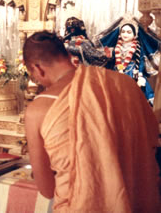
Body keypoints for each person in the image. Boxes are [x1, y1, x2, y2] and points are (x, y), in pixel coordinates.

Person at [23, 31, 160, 212]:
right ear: (67, 55)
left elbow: (47, 189)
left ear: (38, 68)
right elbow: (151, 141)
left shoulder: (37, 110)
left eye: (35, 76)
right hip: (136, 202)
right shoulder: (126, 84)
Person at [98, 15, 160, 106]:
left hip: (132, 72)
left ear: (135, 35)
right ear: (119, 34)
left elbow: (141, 61)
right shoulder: (117, 46)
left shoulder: (137, 47)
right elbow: (112, 58)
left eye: (128, 32)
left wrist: (140, 74)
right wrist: (108, 54)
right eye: (123, 32)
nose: (125, 34)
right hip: (117, 72)